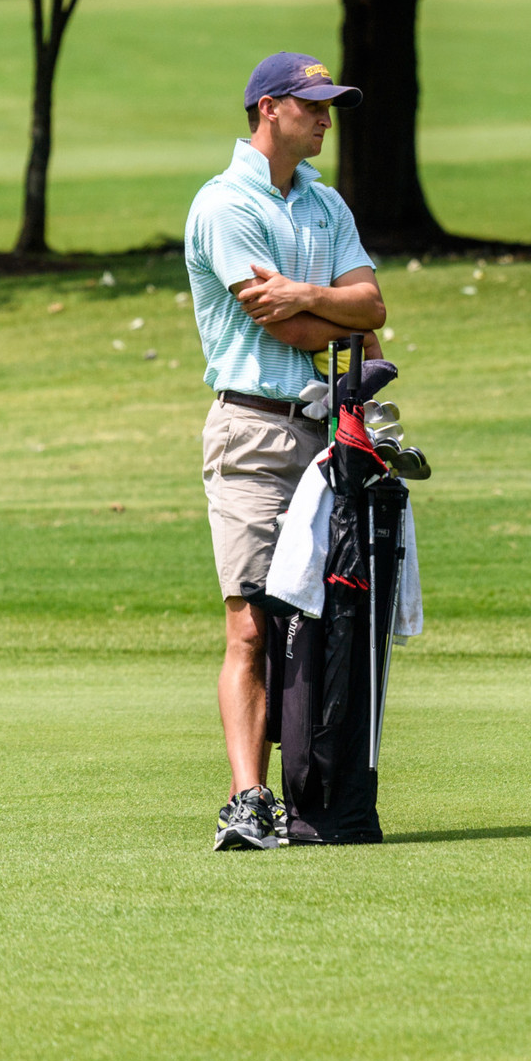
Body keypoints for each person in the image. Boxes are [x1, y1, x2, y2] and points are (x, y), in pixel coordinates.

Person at [186, 52, 388, 850]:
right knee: (252, 621)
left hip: (327, 432)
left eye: (331, 104)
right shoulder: (225, 204)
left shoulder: (326, 202)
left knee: (319, 622)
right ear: (269, 109)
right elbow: (301, 333)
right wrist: (330, 310)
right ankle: (248, 798)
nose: (326, 117)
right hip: (253, 430)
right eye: (313, 105)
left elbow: (372, 311)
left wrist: (309, 292)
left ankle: (313, 789)